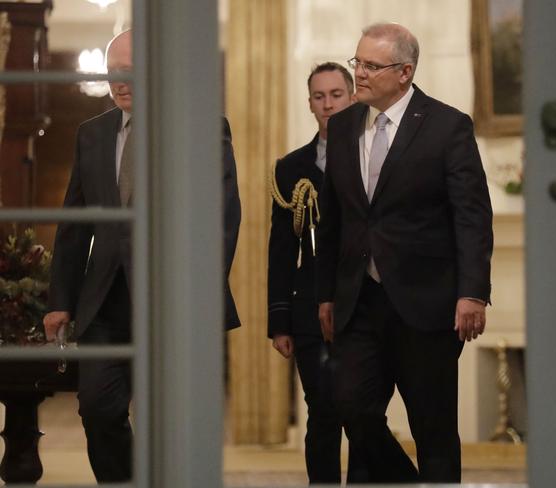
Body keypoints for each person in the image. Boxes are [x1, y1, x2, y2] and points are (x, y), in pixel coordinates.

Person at [43, 29, 241, 482]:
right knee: (97, 409)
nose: (120, 81)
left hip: (172, 303)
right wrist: (60, 300)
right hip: (105, 303)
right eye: (113, 71)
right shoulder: (91, 134)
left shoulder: (201, 126)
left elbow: (222, 219)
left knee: (170, 423)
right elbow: (74, 225)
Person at [316, 23, 493, 484]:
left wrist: (472, 292)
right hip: (359, 301)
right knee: (349, 406)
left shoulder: (447, 126)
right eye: (358, 62)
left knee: (433, 429)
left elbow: (472, 216)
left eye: (372, 66)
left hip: (427, 304)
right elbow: (332, 219)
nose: (361, 74)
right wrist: (326, 295)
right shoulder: (342, 127)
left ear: (405, 72)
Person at [267, 62, 366, 484]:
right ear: (309, 103)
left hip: (365, 304)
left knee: (363, 412)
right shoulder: (291, 169)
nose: (328, 104)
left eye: (336, 95)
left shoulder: (373, 154)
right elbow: (280, 250)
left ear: (352, 96)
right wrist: (278, 320)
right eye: (319, 96)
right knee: (322, 410)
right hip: (309, 309)